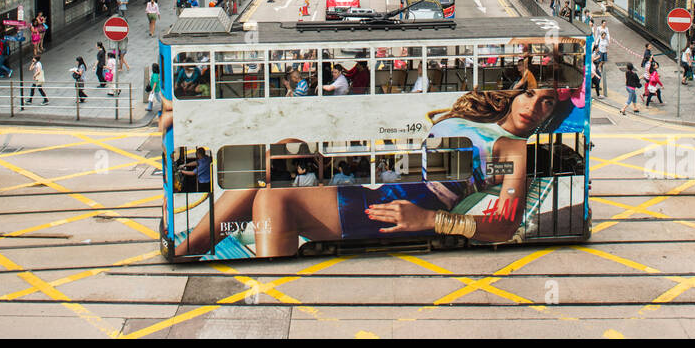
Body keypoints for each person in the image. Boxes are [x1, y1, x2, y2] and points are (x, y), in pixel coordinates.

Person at [174, 86, 573, 258]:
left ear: (550, 118)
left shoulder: (513, 149)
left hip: (397, 210)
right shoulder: (477, 119)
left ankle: (200, 256)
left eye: (546, 103)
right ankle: (191, 248)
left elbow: (504, 227)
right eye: (531, 93)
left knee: (274, 195)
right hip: (376, 184)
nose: (533, 104)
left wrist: (433, 219)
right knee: (280, 152)